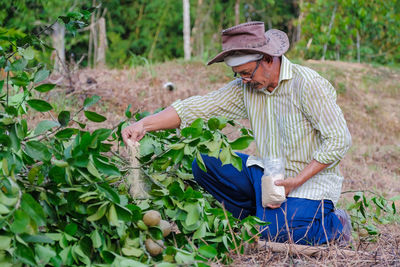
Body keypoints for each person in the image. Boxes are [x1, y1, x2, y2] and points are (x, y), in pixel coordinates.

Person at [122, 21, 352, 246]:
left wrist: (297, 181)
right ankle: (262, 216)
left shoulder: (308, 85)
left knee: (278, 233)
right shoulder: (247, 87)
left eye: (246, 73)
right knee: (204, 162)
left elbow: (338, 140)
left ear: (269, 60)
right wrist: (144, 124)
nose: (244, 80)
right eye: (238, 75)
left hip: (309, 182)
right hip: (268, 174)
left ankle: (336, 224)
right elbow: (198, 107)